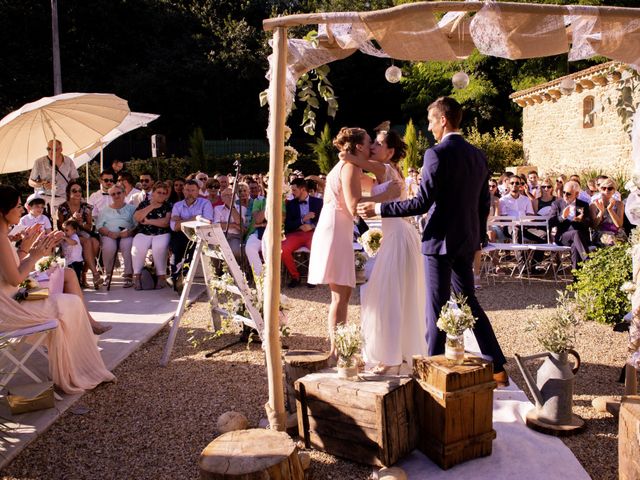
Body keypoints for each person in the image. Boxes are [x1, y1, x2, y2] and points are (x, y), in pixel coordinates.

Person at [358, 97, 508, 386]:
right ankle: (499, 367)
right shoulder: (478, 154)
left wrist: (378, 208)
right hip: (466, 241)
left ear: (443, 120)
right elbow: (483, 203)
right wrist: (476, 238)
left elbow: (421, 203)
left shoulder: (436, 154)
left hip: (439, 242)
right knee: (469, 304)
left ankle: (431, 374)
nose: (429, 128)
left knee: (435, 308)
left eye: (430, 121)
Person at [0, 185, 115, 394]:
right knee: (70, 303)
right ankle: (77, 369)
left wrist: (25, 247)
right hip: (10, 310)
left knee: (68, 299)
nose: (21, 210)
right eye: (17, 206)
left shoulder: (3, 236)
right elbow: (15, 279)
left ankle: (76, 365)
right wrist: (34, 254)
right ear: (2, 210)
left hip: (12, 301)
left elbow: (11, 275)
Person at [343, 126, 426, 374]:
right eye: (374, 143)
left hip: (398, 237)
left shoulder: (385, 168)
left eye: (378, 144)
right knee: (395, 294)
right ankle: (396, 353)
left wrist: (348, 148)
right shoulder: (389, 171)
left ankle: (390, 358)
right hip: (397, 235)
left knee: (389, 296)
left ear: (389, 152)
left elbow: (351, 159)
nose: (374, 147)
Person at [307, 127, 367, 360]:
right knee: (340, 296)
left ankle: (339, 350)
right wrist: (383, 199)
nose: (371, 145)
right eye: (368, 141)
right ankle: (337, 353)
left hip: (336, 227)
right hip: (336, 229)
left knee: (342, 294)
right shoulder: (350, 166)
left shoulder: (347, 166)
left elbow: (369, 184)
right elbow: (354, 205)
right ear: (359, 146)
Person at [169, 179, 214, 289]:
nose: (190, 193)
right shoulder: (177, 206)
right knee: (176, 247)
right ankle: (176, 277)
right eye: (187, 190)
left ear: (198, 191)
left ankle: (180, 277)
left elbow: (206, 222)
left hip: (198, 234)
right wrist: (194, 218)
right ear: (183, 191)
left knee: (191, 248)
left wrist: (181, 220)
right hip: (180, 233)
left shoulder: (205, 203)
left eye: (193, 190)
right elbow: (174, 227)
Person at [58, 180, 102, 289]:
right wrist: (72, 218)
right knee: (88, 242)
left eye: (80, 191)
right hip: (69, 234)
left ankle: (84, 273)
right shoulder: (62, 207)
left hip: (82, 232)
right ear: (68, 192)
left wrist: (80, 223)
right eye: (74, 190)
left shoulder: (86, 207)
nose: (78, 193)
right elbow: (60, 226)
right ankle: (95, 274)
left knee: (95, 243)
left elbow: (89, 227)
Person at [282, 178, 323, 288]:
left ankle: (313, 277)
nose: (292, 193)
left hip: (313, 233)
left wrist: (312, 225)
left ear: (303, 189)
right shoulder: (290, 204)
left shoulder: (318, 202)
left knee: (318, 248)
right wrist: (302, 221)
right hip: (295, 233)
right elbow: (288, 225)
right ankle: (295, 276)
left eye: (294, 190)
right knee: (283, 250)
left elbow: (324, 221)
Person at [131, 181, 172, 290]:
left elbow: (165, 222)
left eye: (164, 193)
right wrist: (152, 206)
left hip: (162, 232)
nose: (161, 195)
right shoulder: (144, 203)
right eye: (159, 192)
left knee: (159, 247)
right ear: (153, 193)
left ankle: (161, 276)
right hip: (144, 232)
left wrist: (149, 221)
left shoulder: (168, 205)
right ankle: (137, 276)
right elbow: (137, 217)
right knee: (137, 248)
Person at [96, 184, 137, 288]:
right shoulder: (104, 210)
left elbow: (137, 226)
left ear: (124, 193)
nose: (116, 196)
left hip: (126, 234)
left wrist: (129, 232)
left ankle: (128, 274)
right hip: (109, 235)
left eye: (119, 193)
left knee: (127, 244)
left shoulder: (132, 209)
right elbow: (99, 226)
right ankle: (108, 273)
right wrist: (109, 233)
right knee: (109, 247)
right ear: (110, 196)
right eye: (113, 194)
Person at [548, 180, 592, 271]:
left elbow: (589, 223)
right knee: (575, 233)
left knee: (575, 246)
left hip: (580, 239)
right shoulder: (557, 204)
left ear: (576, 194)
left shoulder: (583, 205)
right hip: (563, 236)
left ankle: (576, 279)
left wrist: (582, 220)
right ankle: (587, 260)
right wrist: (563, 217)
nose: (565, 195)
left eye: (568, 194)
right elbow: (551, 222)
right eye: (564, 192)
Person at [28, 140, 79, 212]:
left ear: (61, 150)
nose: (51, 152)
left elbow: (73, 179)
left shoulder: (68, 161)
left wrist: (71, 192)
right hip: (43, 199)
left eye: (55, 149)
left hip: (62, 199)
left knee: (63, 222)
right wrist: (42, 184)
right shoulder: (39, 162)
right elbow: (30, 182)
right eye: (49, 149)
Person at [61, 219, 85, 283]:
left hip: (76, 261)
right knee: (69, 276)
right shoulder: (64, 239)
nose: (64, 232)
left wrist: (65, 238)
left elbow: (73, 243)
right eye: (63, 230)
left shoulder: (74, 236)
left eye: (67, 230)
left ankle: (77, 286)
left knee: (76, 276)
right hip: (68, 261)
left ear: (74, 231)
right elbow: (63, 248)